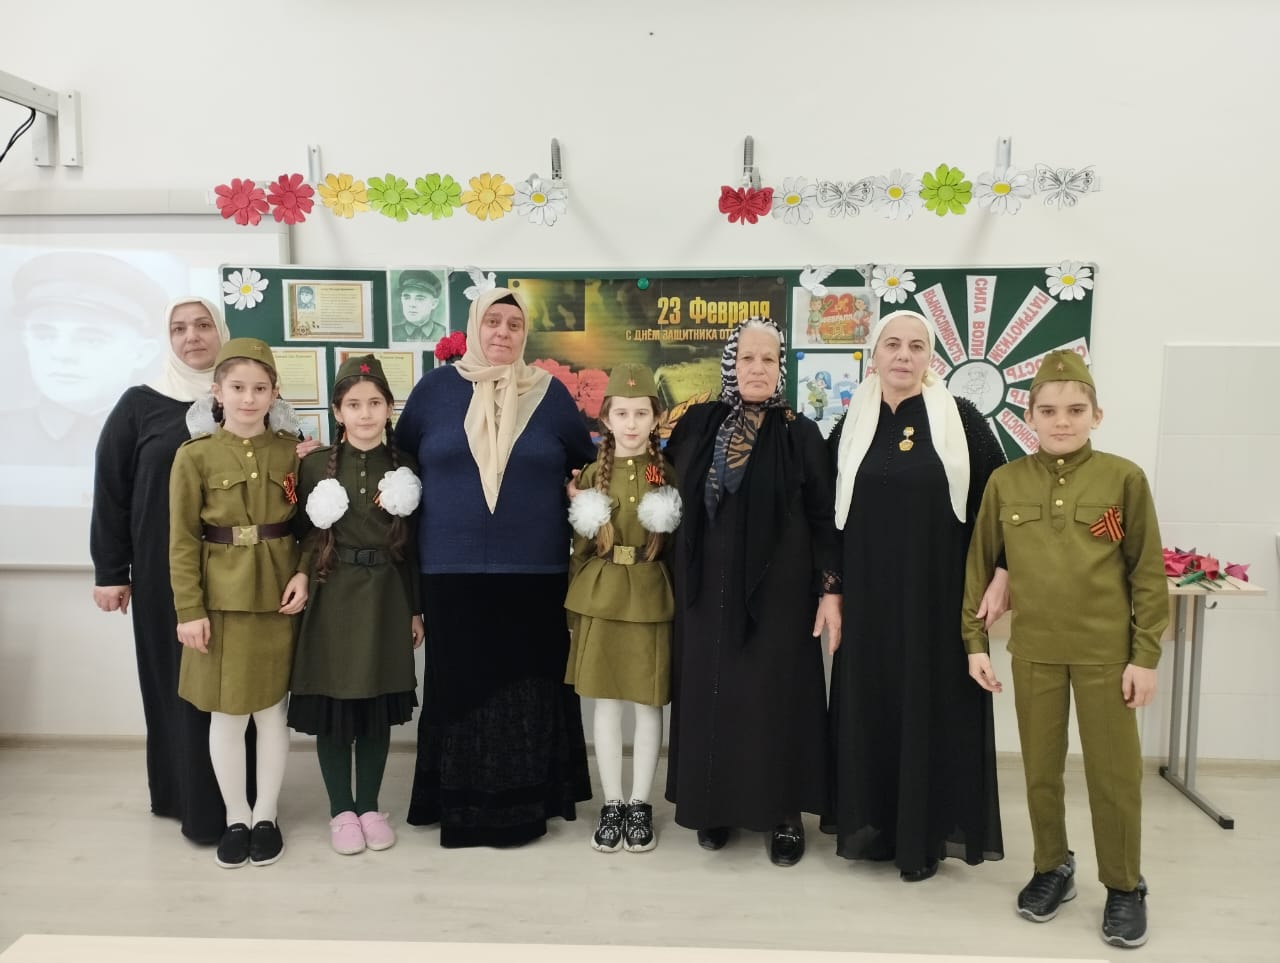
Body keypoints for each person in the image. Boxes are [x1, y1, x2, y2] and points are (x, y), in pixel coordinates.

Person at [962, 350, 1167, 949]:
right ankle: (1052, 866)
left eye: (1076, 410)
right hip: (1036, 652)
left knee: (1114, 777)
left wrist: (1145, 656)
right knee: (1040, 772)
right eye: (1048, 410)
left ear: (1097, 415)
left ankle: (1124, 886)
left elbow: (1147, 574)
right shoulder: (1005, 483)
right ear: (1028, 417)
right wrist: (975, 641)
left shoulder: (1124, 479)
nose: (1062, 421)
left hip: (1107, 655)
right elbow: (979, 566)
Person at [395, 287, 596, 848]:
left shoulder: (550, 395)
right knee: (460, 690)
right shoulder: (434, 391)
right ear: (475, 327)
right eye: (493, 321)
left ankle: (527, 808)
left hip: (535, 574)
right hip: (450, 571)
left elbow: (586, 462)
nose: (503, 332)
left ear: (525, 333)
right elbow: (400, 462)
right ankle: (460, 809)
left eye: (513, 324)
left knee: (528, 691)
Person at [825, 309, 1007, 882]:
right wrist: (831, 589)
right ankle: (875, 829)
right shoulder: (849, 422)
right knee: (874, 705)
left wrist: (1003, 573)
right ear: (874, 354)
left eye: (916, 346)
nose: (903, 355)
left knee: (931, 707)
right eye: (893, 344)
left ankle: (924, 837)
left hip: (935, 597)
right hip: (869, 600)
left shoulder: (962, 418)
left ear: (931, 358)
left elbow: (1001, 501)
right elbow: (826, 514)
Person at [664, 317, 841, 867]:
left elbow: (824, 517)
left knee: (775, 702)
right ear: (731, 365)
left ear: (780, 367)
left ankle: (783, 813)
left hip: (779, 598)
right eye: (747, 358)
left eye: (768, 359)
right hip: (704, 594)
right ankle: (713, 807)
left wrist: (829, 589)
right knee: (712, 698)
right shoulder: (697, 424)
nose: (757, 368)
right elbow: (658, 481)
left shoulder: (798, 433)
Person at [91, 296, 232, 844]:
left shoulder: (245, 397)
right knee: (175, 687)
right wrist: (111, 570)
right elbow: (111, 489)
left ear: (221, 331)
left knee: (230, 688)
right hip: (160, 573)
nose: (191, 336)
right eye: (179, 328)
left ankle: (238, 801)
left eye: (202, 325)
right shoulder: (140, 404)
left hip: (235, 573)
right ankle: (186, 800)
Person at [169, 337, 310, 869]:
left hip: (277, 595)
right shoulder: (195, 456)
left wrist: (303, 574)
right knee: (227, 716)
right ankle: (236, 817)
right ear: (217, 391)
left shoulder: (293, 451)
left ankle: (266, 816)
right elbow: (182, 540)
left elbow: (312, 526)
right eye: (237, 388)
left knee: (273, 713)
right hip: (220, 601)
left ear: (275, 393)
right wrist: (189, 610)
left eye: (259, 388)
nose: (248, 399)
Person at [289, 354, 424, 855]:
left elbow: (412, 546)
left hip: (386, 596)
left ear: (389, 408)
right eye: (353, 405)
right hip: (332, 593)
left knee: (374, 706)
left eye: (374, 403)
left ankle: (369, 805)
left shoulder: (407, 467)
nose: (365, 414)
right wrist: (301, 574)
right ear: (337, 411)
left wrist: (414, 608)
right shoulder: (311, 466)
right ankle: (341, 810)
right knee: (335, 705)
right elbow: (301, 535)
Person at [564, 363, 681, 854]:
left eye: (640, 413)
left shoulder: (666, 473)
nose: (631, 423)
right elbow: (579, 548)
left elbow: (680, 548)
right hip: (603, 595)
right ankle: (612, 802)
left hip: (651, 596)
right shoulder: (593, 474)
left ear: (655, 418)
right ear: (606, 419)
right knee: (606, 704)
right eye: (621, 413)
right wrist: (573, 613)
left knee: (648, 703)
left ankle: (639, 803)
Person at [7, 252, 167, 472]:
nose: (62, 354)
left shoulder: (170, 437)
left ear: (142, 354)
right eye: (45, 335)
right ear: (26, 341)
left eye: (92, 340)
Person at [392, 270, 445, 342]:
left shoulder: (445, 334)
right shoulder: (392, 334)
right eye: (406, 297)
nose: (412, 304)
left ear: (434, 304)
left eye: (420, 299)